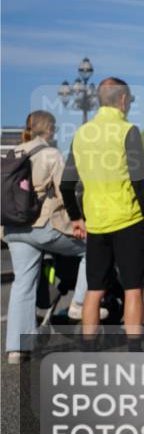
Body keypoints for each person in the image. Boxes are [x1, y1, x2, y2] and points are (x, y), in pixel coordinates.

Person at [61, 78, 144, 343]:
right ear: (122, 99)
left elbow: (66, 185)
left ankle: (88, 352)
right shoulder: (128, 131)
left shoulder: (82, 133)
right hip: (128, 220)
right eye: (128, 99)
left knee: (94, 290)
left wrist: (76, 217)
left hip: (95, 223)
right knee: (133, 289)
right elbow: (141, 182)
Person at [2, 111, 91, 363]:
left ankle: (17, 349)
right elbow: (65, 190)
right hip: (43, 226)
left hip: (14, 229)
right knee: (92, 249)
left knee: (22, 284)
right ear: (49, 129)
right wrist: (77, 220)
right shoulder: (51, 153)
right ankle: (79, 303)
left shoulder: (13, 153)